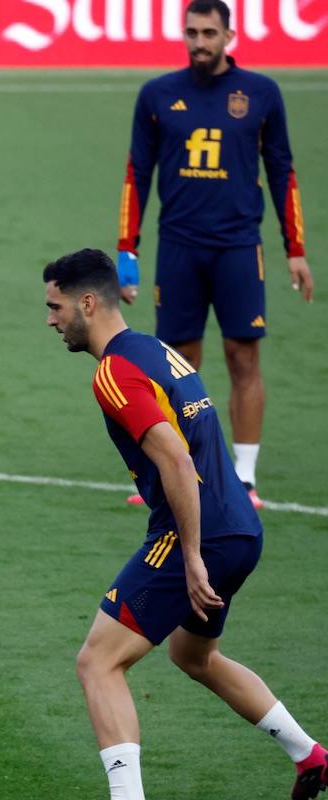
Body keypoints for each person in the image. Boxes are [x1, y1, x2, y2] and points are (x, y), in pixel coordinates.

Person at [42, 249, 325, 800]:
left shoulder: (114, 372)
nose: (50, 319)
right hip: (241, 528)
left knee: (98, 660)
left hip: (202, 535)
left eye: (55, 306)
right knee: (193, 657)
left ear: (87, 303)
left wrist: (190, 554)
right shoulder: (153, 348)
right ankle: (311, 755)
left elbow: (173, 455)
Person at [116, 0, 313, 509]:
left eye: (208, 33)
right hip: (179, 246)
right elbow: (137, 174)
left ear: (229, 35)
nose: (198, 43)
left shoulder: (261, 93)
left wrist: (295, 249)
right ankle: (179, 470)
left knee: (242, 357)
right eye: (191, 33)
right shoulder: (157, 94)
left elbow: (282, 172)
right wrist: (127, 251)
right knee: (176, 365)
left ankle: (244, 478)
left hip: (238, 249)